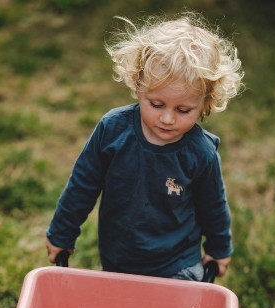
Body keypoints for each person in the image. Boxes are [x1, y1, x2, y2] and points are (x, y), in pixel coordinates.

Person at [46, 12, 243, 280]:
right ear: (138, 86)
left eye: (183, 109)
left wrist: (218, 249)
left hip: (177, 262)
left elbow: (214, 206)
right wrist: (61, 233)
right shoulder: (112, 130)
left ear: (205, 104)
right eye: (157, 104)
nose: (167, 118)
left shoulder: (200, 153)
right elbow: (83, 184)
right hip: (119, 255)